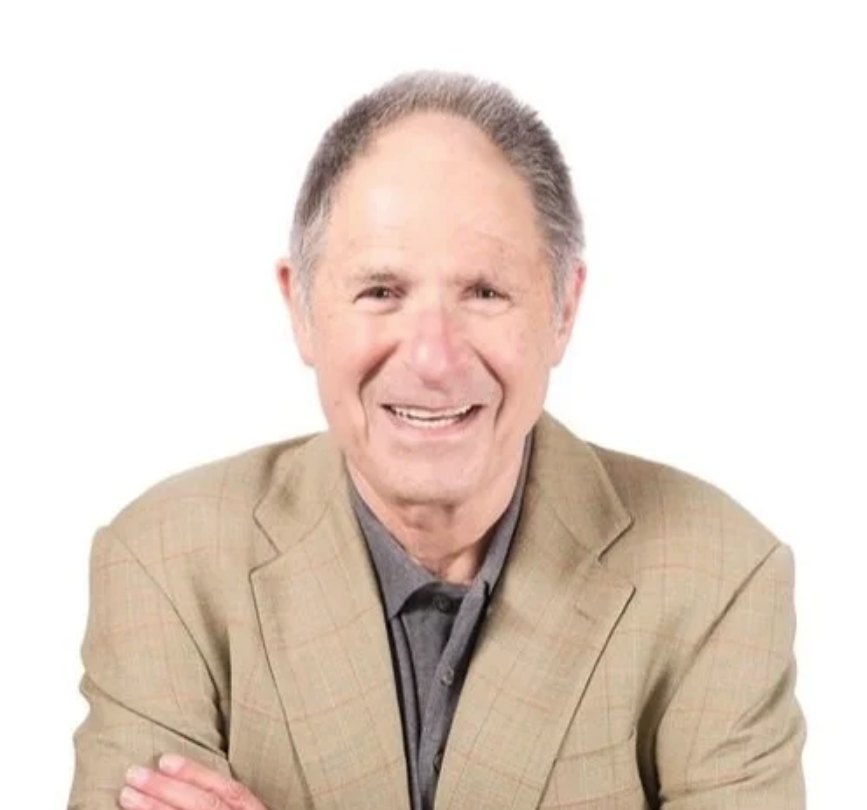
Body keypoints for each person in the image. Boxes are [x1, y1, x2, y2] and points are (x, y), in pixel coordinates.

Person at [68, 71, 806, 810]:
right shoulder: (165, 561)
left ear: (563, 310)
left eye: (484, 292)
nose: (433, 357)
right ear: (300, 308)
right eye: (381, 292)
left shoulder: (718, 577)